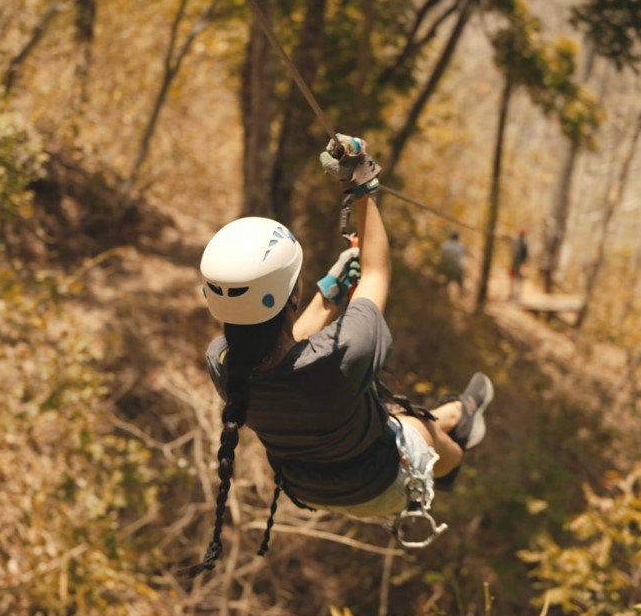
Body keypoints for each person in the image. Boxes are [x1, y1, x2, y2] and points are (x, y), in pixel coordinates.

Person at [188, 134, 495, 576]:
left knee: (414, 418)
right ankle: (455, 437)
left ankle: (456, 412)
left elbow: (284, 347)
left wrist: (329, 293)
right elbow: (377, 270)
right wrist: (361, 184)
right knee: (420, 431)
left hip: (310, 488)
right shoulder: (344, 355)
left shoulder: (224, 365)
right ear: (291, 293)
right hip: (382, 482)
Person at [509, 228, 529, 301]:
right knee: (513, 280)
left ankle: (517, 296)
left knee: (519, 280)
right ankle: (512, 295)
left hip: (520, 265)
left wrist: (525, 266)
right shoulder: (516, 242)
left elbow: (526, 257)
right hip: (514, 264)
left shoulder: (524, 244)